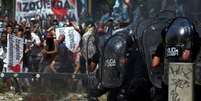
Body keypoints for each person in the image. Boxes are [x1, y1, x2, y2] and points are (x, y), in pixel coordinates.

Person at [151, 17, 201, 101]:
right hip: (193, 86)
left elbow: (154, 63)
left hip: (169, 85)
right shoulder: (197, 42)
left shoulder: (163, 45)